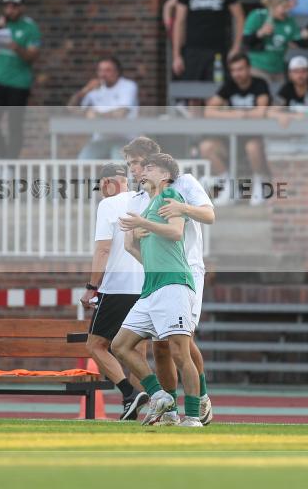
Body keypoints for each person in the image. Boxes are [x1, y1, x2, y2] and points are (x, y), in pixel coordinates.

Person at [121, 137, 216, 426]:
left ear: (156, 162)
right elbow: (135, 244)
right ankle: (168, 408)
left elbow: (209, 215)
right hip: (156, 276)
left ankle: (199, 402)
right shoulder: (140, 197)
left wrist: (182, 210)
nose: (134, 170)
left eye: (138, 163)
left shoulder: (182, 183)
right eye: (130, 165)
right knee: (160, 345)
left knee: (182, 342)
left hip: (186, 269)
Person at [80, 163, 149, 421]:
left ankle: (129, 393)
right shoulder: (143, 200)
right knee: (138, 351)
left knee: (96, 345)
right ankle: (150, 409)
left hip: (119, 287)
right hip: (145, 285)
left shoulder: (108, 205)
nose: (100, 192)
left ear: (109, 182)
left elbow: (103, 250)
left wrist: (91, 287)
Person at [200, 54, 272, 206]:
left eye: (240, 69)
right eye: (233, 70)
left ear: (248, 69)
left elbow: (261, 112)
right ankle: (229, 185)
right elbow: (208, 111)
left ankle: (261, 184)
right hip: (233, 140)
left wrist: (242, 114)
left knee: (251, 147)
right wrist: (235, 114)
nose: (237, 74)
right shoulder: (230, 85)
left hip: (257, 138)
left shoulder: (260, 83)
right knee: (207, 147)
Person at [0, 0, 41, 159]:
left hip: (19, 84)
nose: (10, 10)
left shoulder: (30, 27)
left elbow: (33, 55)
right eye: (7, 6)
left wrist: (16, 47)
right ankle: (3, 157)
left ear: (22, 7)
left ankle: (11, 164)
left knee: (14, 125)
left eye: (14, 6)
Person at [172, 0, 244, 80]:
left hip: (218, 49)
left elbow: (240, 17)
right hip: (193, 50)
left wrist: (236, 47)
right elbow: (179, 22)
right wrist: (176, 55)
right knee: (192, 92)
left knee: (217, 91)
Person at [67, 57, 139, 159]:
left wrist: (94, 115)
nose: (103, 74)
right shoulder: (94, 89)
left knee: (117, 163)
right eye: (100, 70)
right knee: (82, 161)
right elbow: (71, 108)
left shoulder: (128, 86)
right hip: (101, 138)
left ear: (117, 72)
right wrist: (85, 91)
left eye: (107, 70)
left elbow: (121, 113)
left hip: (125, 138)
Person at [242, 0, 300, 83]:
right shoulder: (258, 16)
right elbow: (245, 41)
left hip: (278, 68)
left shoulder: (289, 20)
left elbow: (302, 41)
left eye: (287, 7)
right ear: (273, 6)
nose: (286, 10)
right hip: (258, 67)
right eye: (284, 7)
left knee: (278, 96)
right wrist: (260, 33)